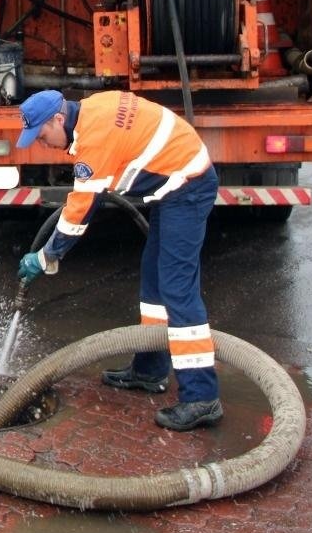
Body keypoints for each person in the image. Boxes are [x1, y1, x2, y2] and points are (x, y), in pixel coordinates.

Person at [15, 88, 223, 432]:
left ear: (58, 118)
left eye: (41, 134)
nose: (42, 143)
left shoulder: (93, 139)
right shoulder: (92, 108)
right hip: (174, 186)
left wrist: (46, 257)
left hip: (188, 188)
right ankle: (150, 371)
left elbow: (79, 212)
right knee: (154, 280)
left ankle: (202, 397)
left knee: (177, 289)